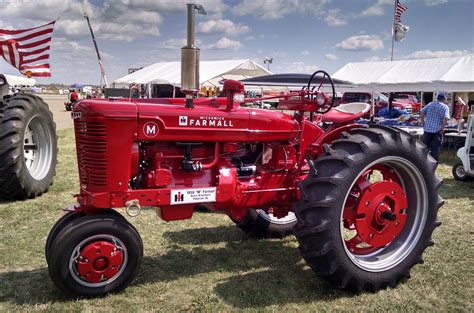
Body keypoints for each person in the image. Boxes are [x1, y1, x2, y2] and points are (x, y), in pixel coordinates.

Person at [420, 92, 450, 161]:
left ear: (437, 98)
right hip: (437, 130)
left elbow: (422, 112)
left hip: (427, 129)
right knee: (436, 148)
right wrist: (442, 127)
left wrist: (422, 122)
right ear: (444, 99)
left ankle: (422, 159)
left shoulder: (430, 104)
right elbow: (446, 118)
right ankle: (433, 161)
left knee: (424, 146)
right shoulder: (445, 107)